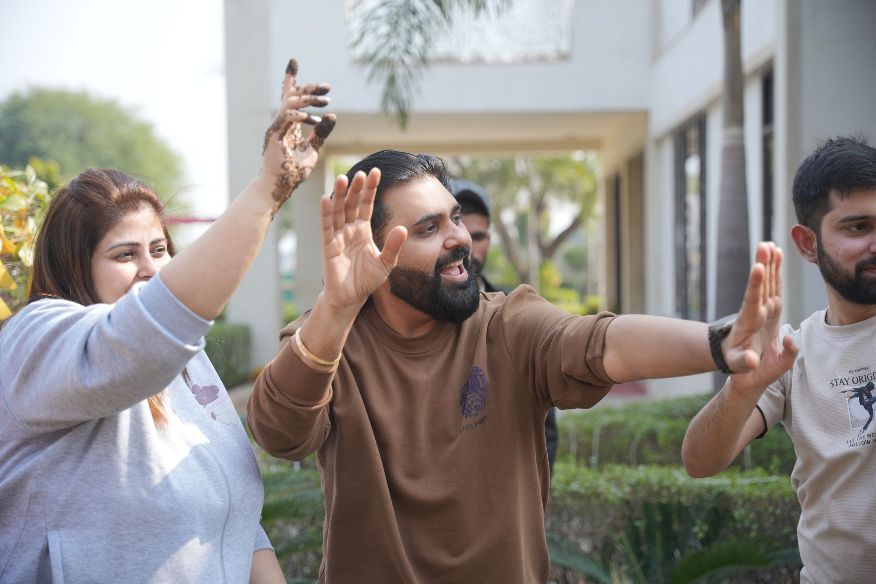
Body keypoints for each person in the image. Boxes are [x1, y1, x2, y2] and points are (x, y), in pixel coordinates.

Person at [247, 149, 788, 583]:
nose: (460, 238)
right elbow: (278, 433)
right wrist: (336, 308)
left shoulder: (505, 324)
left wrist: (717, 343)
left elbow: (602, 343)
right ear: (372, 250)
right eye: (429, 228)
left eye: (456, 218)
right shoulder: (328, 339)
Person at [0, 58, 334, 583]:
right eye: (124, 254)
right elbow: (147, 334)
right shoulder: (35, 339)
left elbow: (233, 518)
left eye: (159, 249)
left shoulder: (187, 363)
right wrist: (268, 188)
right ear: (74, 266)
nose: (152, 269)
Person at [681, 136, 876, 584]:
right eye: (857, 227)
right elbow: (699, 461)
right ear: (808, 243)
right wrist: (744, 385)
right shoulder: (790, 355)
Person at [450, 178, 560, 474]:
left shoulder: (516, 314)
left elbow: (546, 428)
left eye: (478, 235)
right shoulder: (412, 318)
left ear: (489, 240)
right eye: (458, 229)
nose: (468, 245)